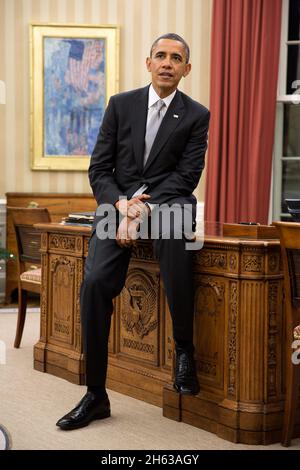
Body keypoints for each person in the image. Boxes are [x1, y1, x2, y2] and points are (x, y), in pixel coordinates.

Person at [56, 33, 210, 431]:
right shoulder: (120, 105)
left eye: (176, 58)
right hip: (117, 204)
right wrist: (122, 205)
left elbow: (186, 176)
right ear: (148, 63)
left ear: (186, 69)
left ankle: (184, 351)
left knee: (176, 242)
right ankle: (95, 394)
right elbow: (99, 170)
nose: (167, 63)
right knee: (93, 283)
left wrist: (140, 209)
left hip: (168, 203)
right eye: (160, 55)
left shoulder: (196, 115)